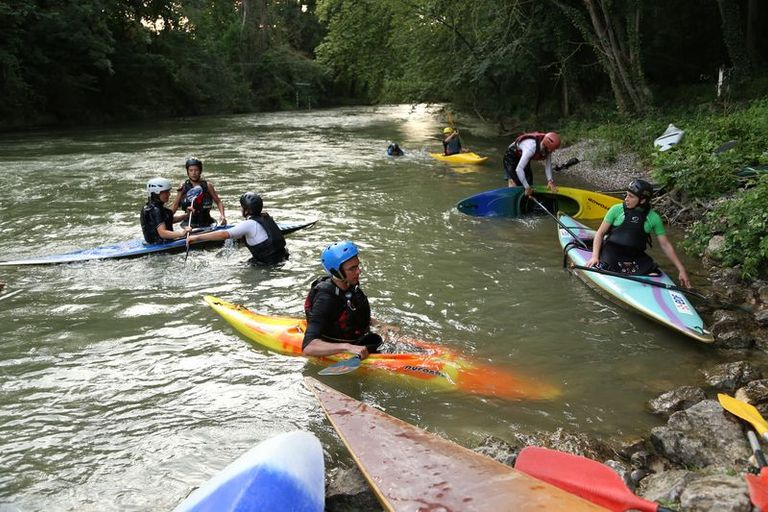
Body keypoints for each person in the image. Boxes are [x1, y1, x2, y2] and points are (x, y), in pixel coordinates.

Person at [585, 179, 691, 288]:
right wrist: (594, 257)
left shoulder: (653, 218)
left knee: (654, 272)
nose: (626, 199)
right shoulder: (616, 210)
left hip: (635, 257)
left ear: (643, 200)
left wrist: (681, 269)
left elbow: (665, 245)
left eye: (631, 196)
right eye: (626, 195)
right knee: (605, 267)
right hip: (612, 253)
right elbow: (600, 234)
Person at [302, 241, 383, 358]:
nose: (359, 271)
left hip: (358, 340)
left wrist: (380, 325)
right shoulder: (325, 299)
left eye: (358, 266)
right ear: (337, 272)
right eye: (352, 268)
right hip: (339, 345)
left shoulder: (350, 287)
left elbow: (353, 314)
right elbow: (308, 347)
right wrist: (347, 347)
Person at [185, 192, 289, 265]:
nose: (240, 209)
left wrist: (195, 238)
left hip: (269, 265)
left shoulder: (249, 224)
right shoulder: (266, 217)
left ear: (247, 210)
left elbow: (223, 234)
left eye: (241, 207)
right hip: (283, 258)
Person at [171, 157, 227, 228]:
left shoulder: (208, 186)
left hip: (206, 221)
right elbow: (175, 205)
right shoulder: (183, 187)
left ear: (200, 171)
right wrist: (166, 218)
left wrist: (222, 216)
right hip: (189, 223)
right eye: (191, 170)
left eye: (196, 170)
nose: (194, 173)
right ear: (187, 172)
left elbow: (218, 202)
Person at [503, 131, 561, 196]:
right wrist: (527, 188)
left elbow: (548, 165)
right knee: (514, 181)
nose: (552, 151)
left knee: (528, 181)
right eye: (551, 150)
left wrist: (550, 181)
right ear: (546, 145)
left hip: (523, 155)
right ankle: (512, 197)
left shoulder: (548, 149)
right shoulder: (531, 148)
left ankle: (527, 201)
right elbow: (519, 169)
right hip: (511, 156)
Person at [140, 178, 190, 244]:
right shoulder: (156, 210)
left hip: (154, 242)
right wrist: (181, 233)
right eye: (166, 192)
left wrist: (186, 215)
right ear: (157, 193)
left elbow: (166, 220)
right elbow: (163, 233)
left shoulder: (150, 207)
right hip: (161, 243)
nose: (169, 194)